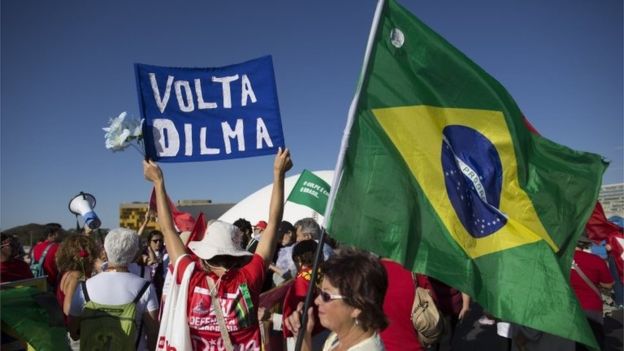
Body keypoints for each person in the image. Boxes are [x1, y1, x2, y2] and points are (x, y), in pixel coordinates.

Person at [144, 147, 292, 350]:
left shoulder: (190, 275)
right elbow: (274, 223)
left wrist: (158, 182)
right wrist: (279, 174)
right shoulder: (249, 276)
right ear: (238, 256)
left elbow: (168, 229)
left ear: (203, 255)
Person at [68, 228, 160, 351]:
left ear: (105, 251)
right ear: (134, 253)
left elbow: (73, 333)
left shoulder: (84, 287)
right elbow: (153, 333)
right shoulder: (145, 288)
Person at [286, 247, 388, 351]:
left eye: (326, 296)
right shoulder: (336, 337)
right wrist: (303, 336)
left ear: (357, 306)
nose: (317, 301)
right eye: (319, 292)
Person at [571, 236, 614, 351]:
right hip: (591, 307)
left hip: (569, 307)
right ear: (585, 245)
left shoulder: (560, 260)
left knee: (573, 342)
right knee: (595, 340)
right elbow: (608, 284)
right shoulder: (596, 260)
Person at [31, 223, 62, 290]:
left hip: (38, 284)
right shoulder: (58, 247)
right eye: (59, 233)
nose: (61, 235)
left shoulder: (35, 247)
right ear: (50, 234)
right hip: (53, 286)